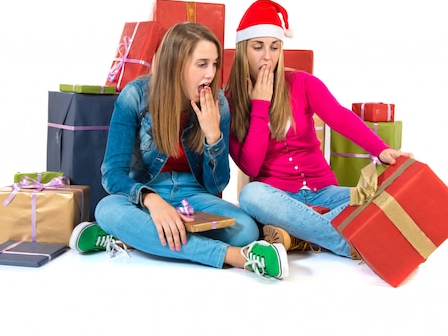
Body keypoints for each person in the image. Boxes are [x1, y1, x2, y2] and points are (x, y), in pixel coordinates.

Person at [68, 22, 289, 279]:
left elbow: (218, 184)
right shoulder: (135, 96)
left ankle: (126, 237)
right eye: (202, 64)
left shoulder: (218, 103)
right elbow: (112, 173)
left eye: (215, 64)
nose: (211, 73)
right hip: (143, 196)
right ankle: (236, 258)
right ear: (176, 64)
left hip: (192, 196)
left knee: (246, 231)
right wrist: (152, 200)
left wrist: (212, 136)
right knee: (106, 209)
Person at [225, 0, 413, 258]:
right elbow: (251, 167)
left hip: (325, 193)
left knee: (386, 192)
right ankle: (345, 241)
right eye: (258, 47)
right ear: (243, 49)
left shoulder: (303, 83)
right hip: (278, 198)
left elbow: (340, 118)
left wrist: (381, 150)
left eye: (275, 47)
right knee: (249, 195)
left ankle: (303, 233)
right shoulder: (229, 102)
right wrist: (259, 105)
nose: (267, 56)